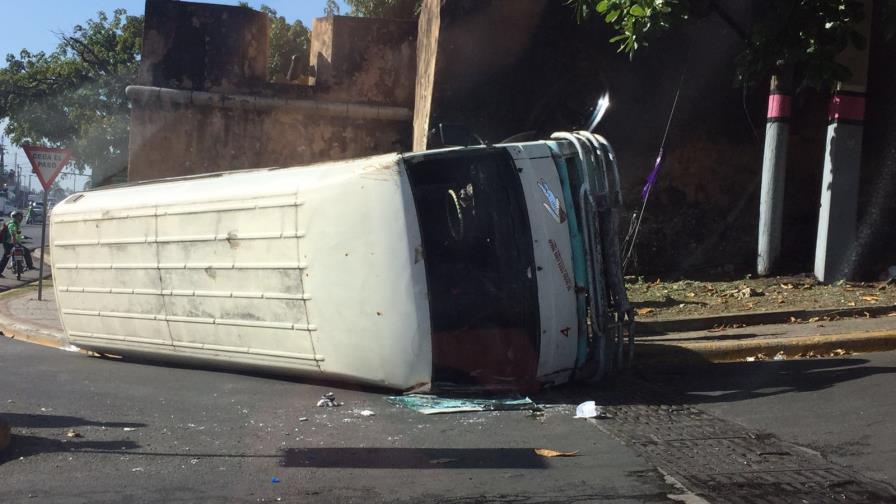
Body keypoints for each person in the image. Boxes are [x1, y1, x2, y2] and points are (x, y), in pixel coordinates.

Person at [0, 211, 35, 277]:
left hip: (15, 243)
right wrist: (14, 241)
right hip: (9, 244)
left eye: (21, 216)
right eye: (19, 216)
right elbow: (12, 233)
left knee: (26, 251)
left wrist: (22, 237)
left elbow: (17, 234)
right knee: (6, 257)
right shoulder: (12, 224)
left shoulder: (16, 224)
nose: (21, 218)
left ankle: (29, 266)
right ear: (15, 217)